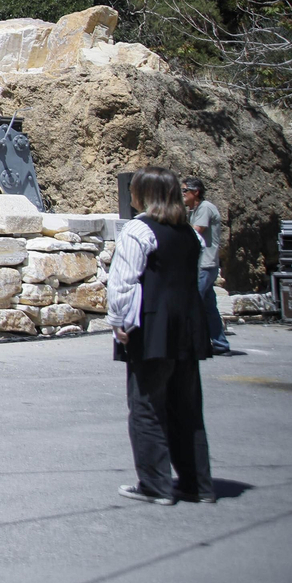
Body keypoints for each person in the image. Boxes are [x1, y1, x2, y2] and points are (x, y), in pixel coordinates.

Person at [107, 166, 215, 505]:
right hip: (187, 324)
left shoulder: (139, 230)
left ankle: (155, 484)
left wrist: (119, 321)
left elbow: (124, 279)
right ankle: (197, 483)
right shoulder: (189, 233)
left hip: (151, 324)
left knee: (147, 405)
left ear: (144, 195)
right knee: (187, 407)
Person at [183, 177, 231, 355]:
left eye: (185, 191)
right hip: (203, 264)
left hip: (205, 264)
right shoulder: (194, 210)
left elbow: (194, 232)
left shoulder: (205, 208)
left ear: (196, 192)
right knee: (209, 307)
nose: (182, 194)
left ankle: (191, 343)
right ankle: (220, 344)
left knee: (192, 303)